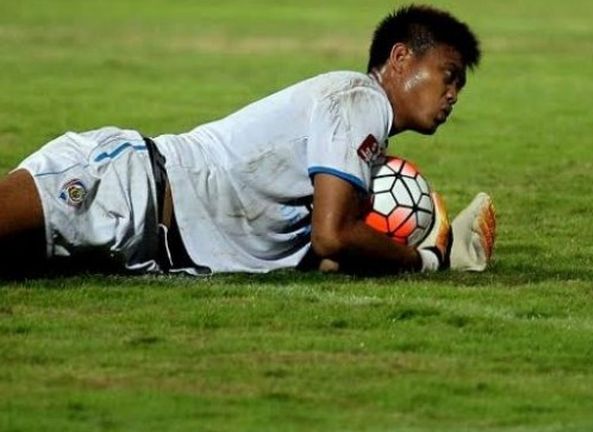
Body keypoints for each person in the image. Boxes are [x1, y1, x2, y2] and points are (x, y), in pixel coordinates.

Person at [0, 4, 495, 277]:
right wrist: (424, 260)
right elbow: (333, 236)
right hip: (125, 186)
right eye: (447, 76)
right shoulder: (357, 99)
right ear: (402, 57)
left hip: (145, 244)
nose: (452, 95)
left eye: (460, 87)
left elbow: (324, 257)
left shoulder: (361, 140)